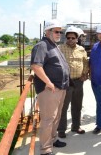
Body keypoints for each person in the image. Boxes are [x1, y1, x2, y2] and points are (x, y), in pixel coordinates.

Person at [31, 19, 69, 155]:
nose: (59, 34)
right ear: (47, 32)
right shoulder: (42, 46)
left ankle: (53, 140)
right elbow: (36, 66)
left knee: (56, 117)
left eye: (60, 31)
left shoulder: (53, 45)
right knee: (48, 119)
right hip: (49, 90)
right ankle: (46, 149)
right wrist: (48, 82)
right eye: (56, 31)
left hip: (60, 88)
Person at [57, 26, 89, 138]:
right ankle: (61, 129)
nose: (70, 40)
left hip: (79, 82)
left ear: (77, 39)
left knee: (77, 106)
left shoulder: (81, 49)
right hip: (66, 82)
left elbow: (85, 62)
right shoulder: (60, 48)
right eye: (68, 38)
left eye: (73, 38)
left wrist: (85, 74)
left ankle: (76, 126)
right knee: (63, 107)